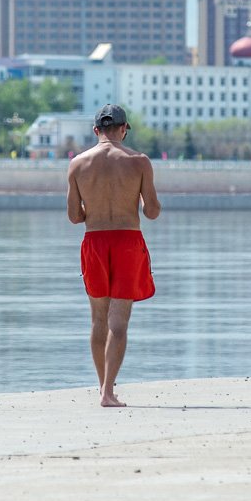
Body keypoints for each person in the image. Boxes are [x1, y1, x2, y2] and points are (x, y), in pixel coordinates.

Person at [67, 104, 161, 406]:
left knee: (98, 320)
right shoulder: (139, 162)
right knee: (118, 321)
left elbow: (74, 217)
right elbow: (152, 211)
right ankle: (109, 390)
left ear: (96, 131)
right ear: (124, 129)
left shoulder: (77, 164)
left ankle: (102, 388)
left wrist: (94, 209)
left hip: (94, 241)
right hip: (127, 241)